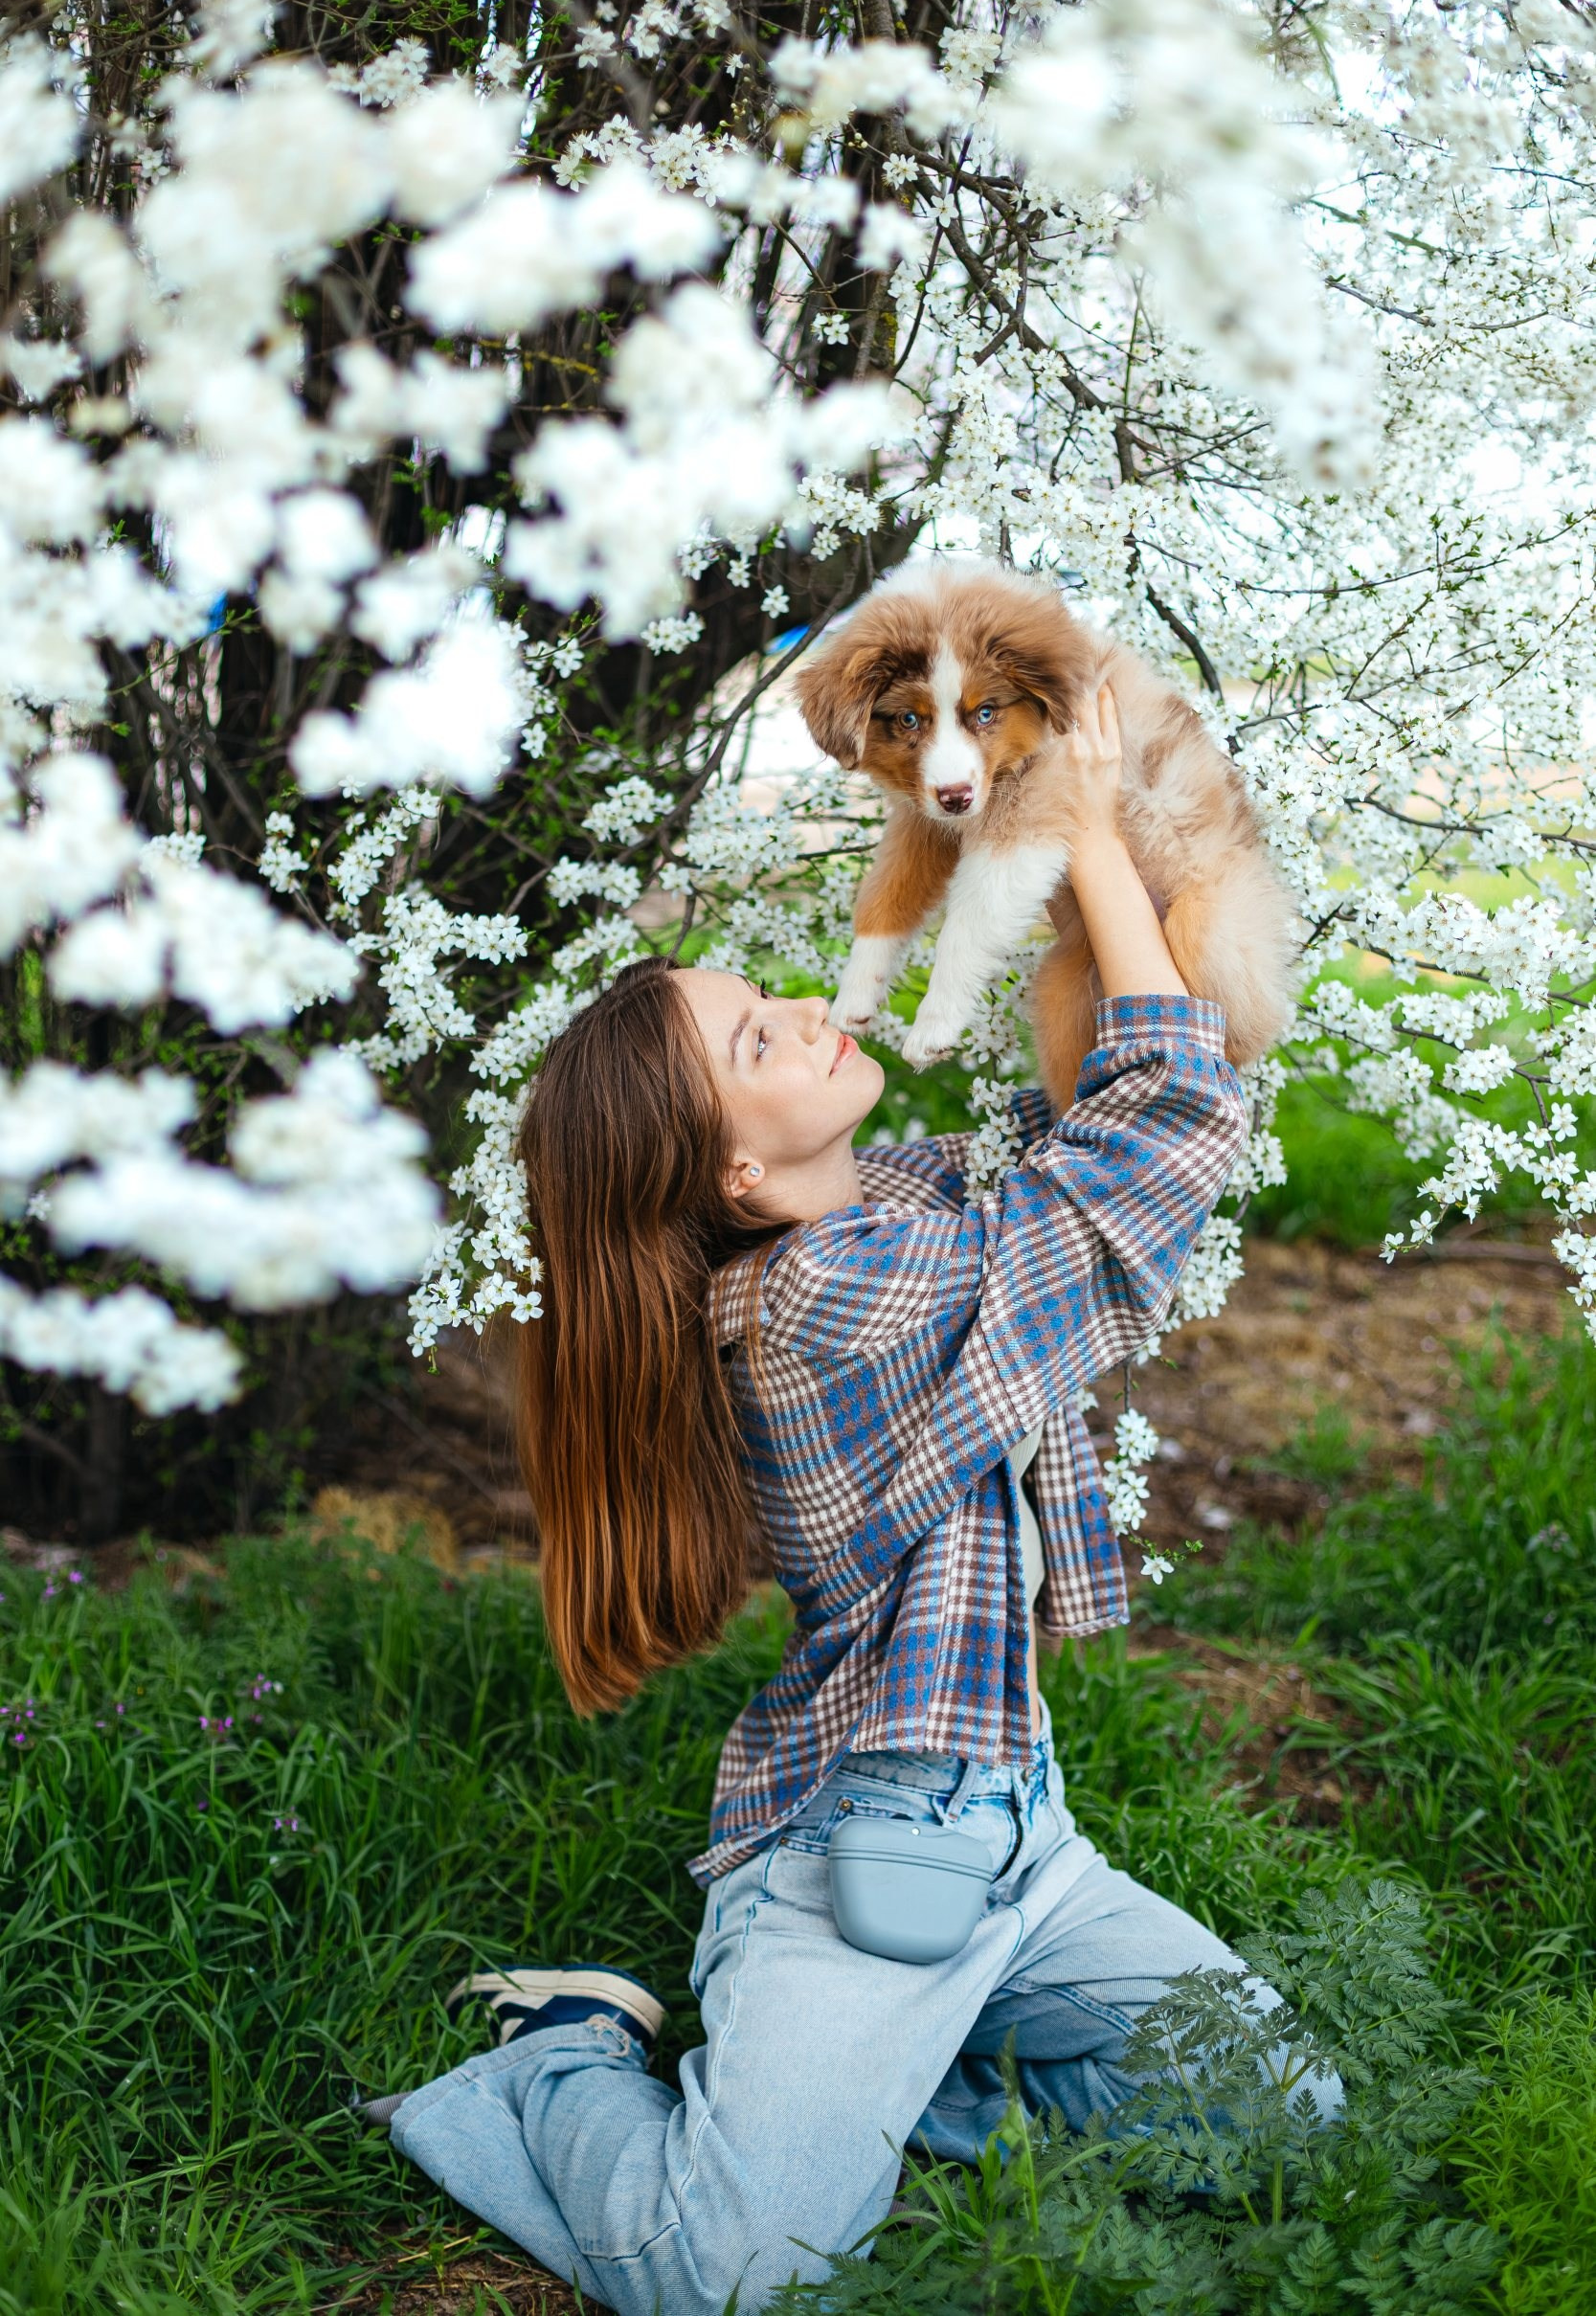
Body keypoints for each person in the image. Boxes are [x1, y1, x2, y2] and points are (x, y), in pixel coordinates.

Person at [364, 684, 1339, 2310]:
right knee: (727, 2281)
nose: (811, 1012)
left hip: (1015, 1842)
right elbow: (1158, 1142)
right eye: (759, 1039)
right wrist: (1083, 829)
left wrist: (1104, 867)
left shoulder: (888, 1203)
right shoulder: (816, 1301)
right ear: (735, 1173)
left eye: (768, 997)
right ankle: (564, 2062)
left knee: (1300, 2131)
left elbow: (1105, 1106)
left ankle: (885, 2096)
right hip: (861, 1860)